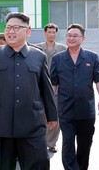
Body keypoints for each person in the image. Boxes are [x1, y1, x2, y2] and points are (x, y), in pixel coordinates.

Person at [0, 12, 58, 170]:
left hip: (32, 123)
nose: (11, 31)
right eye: (8, 27)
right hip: (1, 123)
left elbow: (46, 89)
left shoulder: (39, 56)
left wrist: (52, 116)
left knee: (39, 164)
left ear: (28, 31)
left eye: (16, 28)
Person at [50, 24, 99, 170]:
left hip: (86, 110)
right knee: (68, 142)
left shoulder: (92, 57)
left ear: (83, 38)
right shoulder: (58, 59)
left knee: (85, 144)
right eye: (69, 35)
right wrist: (48, 107)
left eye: (75, 35)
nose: (71, 38)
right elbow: (53, 85)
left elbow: (98, 80)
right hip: (65, 109)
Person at [36, 23, 66, 153]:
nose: (52, 34)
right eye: (49, 32)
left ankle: (51, 143)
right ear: (45, 33)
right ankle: (39, 140)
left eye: (54, 32)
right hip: (38, 86)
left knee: (55, 115)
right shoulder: (37, 48)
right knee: (39, 114)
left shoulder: (62, 49)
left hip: (56, 87)